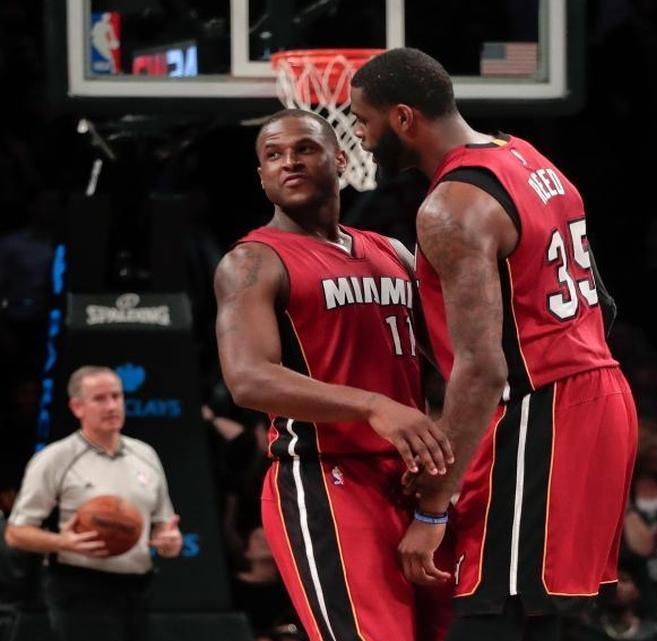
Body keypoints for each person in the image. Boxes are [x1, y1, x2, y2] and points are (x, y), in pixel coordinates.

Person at [349, 48, 637, 641]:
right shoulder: (529, 158)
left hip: (543, 412)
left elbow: (482, 368)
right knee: (554, 617)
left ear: (403, 118)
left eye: (363, 120)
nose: (360, 135)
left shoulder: (451, 207)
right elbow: (604, 306)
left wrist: (433, 505)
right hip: (598, 397)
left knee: (492, 614)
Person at [213, 108, 453, 641]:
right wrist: (373, 405)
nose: (289, 162)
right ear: (261, 177)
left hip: (411, 480)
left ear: (342, 158)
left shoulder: (392, 252)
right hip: (325, 477)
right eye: (273, 155)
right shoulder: (253, 261)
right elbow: (248, 379)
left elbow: (455, 359)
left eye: (304, 149)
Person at [4, 365, 182, 641]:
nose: (111, 406)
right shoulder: (55, 459)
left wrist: (169, 541)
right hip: (79, 583)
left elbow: (162, 527)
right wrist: (62, 543)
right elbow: (15, 533)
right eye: (99, 399)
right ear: (77, 407)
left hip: (138, 584)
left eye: (116, 396)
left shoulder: (145, 454)